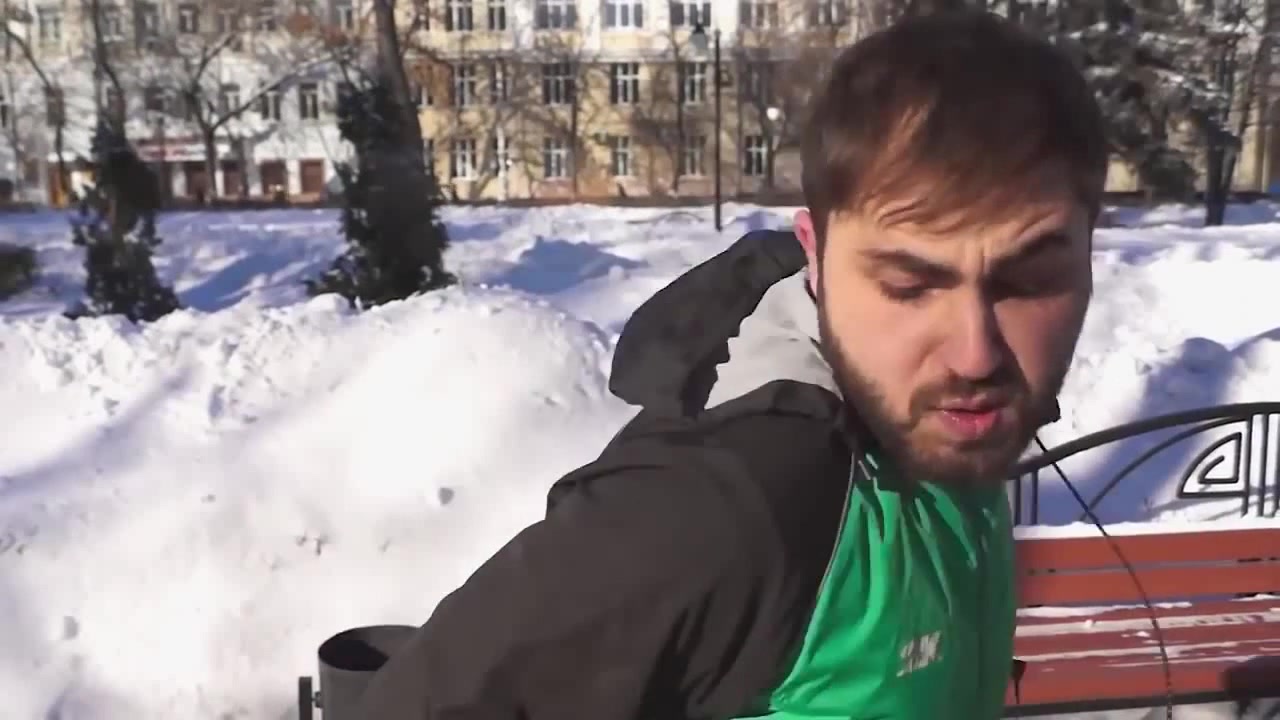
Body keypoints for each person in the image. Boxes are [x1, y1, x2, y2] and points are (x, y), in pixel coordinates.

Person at [356, 8, 1106, 719]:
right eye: (908, 287)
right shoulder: (733, 504)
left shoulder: (950, 428)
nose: (974, 355)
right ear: (816, 260)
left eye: (1031, 281)